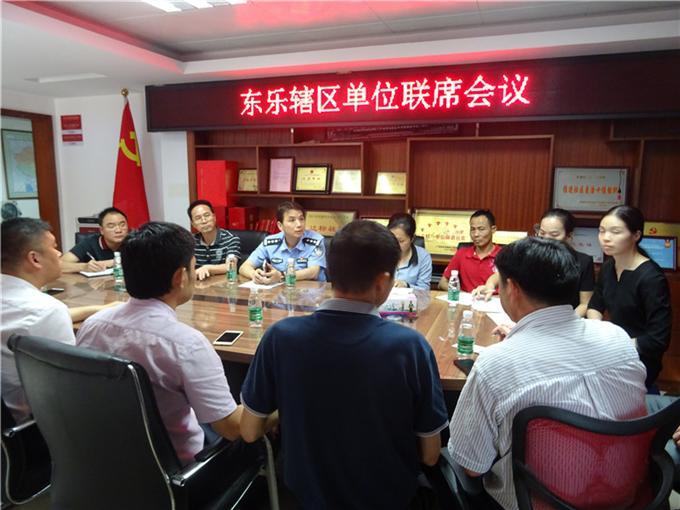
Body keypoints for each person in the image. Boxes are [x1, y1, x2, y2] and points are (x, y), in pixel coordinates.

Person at [240, 220, 448, 509]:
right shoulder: (410, 347)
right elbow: (430, 455)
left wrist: (290, 406)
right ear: (382, 282)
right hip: (387, 498)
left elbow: (249, 431)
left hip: (303, 497)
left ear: (331, 272)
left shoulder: (280, 337)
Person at [448, 237, 647, 510]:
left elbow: (472, 467)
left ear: (512, 288)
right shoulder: (617, 337)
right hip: (626, 495)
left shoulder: (496, 364)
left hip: (535, 503)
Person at [76, 222, 274, 465]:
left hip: (100, 459)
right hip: (177, 471)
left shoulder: (92, 325)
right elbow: (233, 428)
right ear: (180, 277)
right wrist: (283, 404)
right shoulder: (186, 344)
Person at [1, 218, 114, 423]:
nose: (59, 253)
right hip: (36, 424)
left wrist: (99, 308)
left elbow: (32, 316)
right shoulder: (46, 310)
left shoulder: (22, 303)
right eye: (54, 247)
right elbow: (71, 384)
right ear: (35, 259)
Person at [587, 205, 671, 390]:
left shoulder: (651, 277)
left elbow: (658, 339)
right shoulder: (608, 267)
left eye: (615, 232)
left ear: (636, 235)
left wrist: (615, 345)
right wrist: (598, 333)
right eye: (602, 231)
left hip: (639, 357)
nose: (606, 237)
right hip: (611, 349)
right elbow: (595, 305)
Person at [472, 208, 595, 317]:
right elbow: (501, 274)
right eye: (542, 233)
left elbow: (585, 304)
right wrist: (490, 285)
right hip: (532, 319)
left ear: (569, 236)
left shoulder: (583, 262)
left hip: (565, 321)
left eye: (554, 235)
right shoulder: (531, 255)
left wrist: (564, 322)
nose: (546, 239)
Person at [239, 201, 326, 283]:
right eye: (292, 220)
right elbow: (244, 267)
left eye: (301, 219)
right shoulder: (270, 243)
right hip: (280, 291)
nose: (299, 224)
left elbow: (313, 272)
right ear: (280, 226)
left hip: (311, 291)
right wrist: (254, 275)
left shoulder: (315, 241)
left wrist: (282, 276)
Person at [438, 209, 500, 293]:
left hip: (493, 299)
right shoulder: (462, 254)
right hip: (467, 299)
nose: (476, 234)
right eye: (473, 229)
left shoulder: (504, 255)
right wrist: (462, 294)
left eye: (481, 229)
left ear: (493, 229)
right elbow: (442, 283)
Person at [61, 207, 129, 273]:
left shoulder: (132, 241)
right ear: (101, 230)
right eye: (111, 226)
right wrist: (84, 267)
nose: (118, 230)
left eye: (122, 225)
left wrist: (113, 262)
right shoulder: (90, 242)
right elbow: (60, 265)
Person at [187, 199, 241, 281]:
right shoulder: (190, 242)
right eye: (198, 218)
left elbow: (231, 266)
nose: (204, 221)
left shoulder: (231, 239)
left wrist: (207, 268)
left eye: (207, 215)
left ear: (214, 217)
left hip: (223, 285)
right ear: (193, 224)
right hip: (199, 285)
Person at [388, 212, 432, 290]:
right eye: (392, 238)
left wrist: (407, 286)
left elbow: (424, 289)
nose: (395, 244)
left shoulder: (423, 257)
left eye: (401, 241)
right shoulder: (380, 252)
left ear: (412, 238)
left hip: (410, 297)